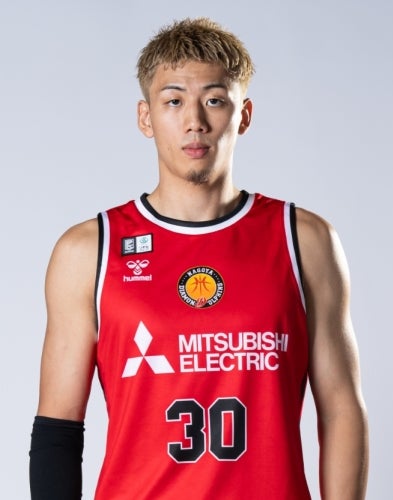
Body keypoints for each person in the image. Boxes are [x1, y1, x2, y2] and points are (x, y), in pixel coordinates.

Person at [29, 17, 369, 499]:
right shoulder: (89, 250)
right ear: (146, 117)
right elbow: (58, 426)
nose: (195, 122)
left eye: (214, 100)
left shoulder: (303, 239)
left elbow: (340, 408)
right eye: (173, 101)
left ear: (243, 115)